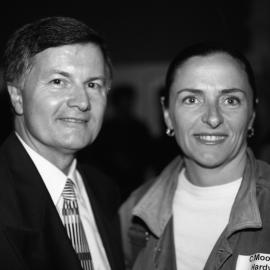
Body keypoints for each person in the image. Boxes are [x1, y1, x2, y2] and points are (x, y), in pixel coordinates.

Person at [120, 42, 270, 270]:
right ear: (168, 114)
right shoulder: (134, 213)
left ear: (251, 115)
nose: (212, 118)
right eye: (191, 99)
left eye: (230, 100)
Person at [0, 16, 124, 270]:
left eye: (92, 84)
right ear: (17, 97)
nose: (82, 101)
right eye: (58, 81)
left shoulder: (105, 190)